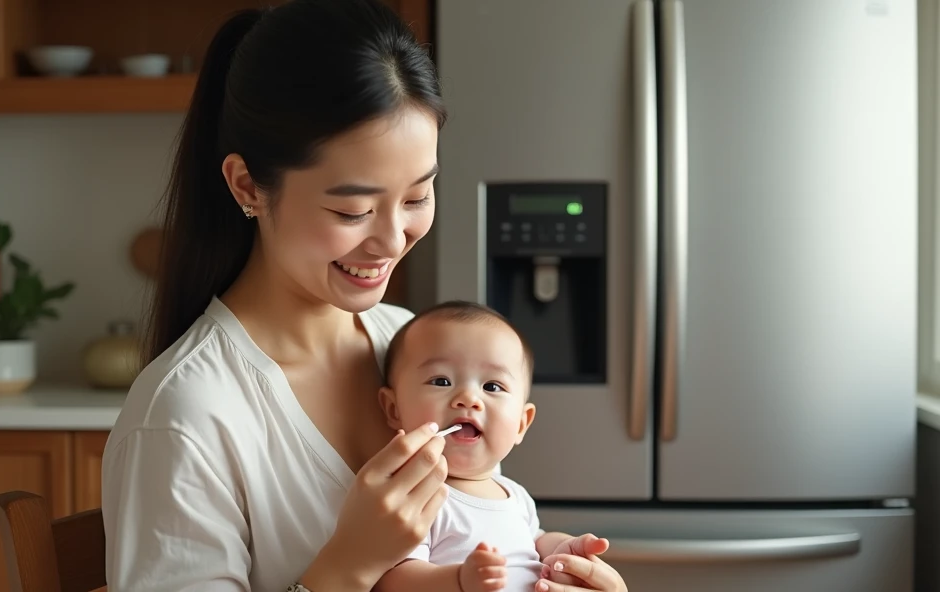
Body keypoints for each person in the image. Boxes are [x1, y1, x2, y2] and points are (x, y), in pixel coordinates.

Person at [101, 1, 628, 591]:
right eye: (352, 210)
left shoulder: (410, 344)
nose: (390, 239)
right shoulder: (188, 415)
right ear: (247, 185)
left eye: (417, 197)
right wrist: (350, 564)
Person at [374, 301, 622, 592]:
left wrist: (564, 549)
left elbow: (534, 539)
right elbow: (393, 580)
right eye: (441, 381)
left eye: (492, 387)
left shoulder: (515, 495)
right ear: (393, 409)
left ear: (521, 424)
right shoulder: (414, 497)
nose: (468, 398)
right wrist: (459, 581)